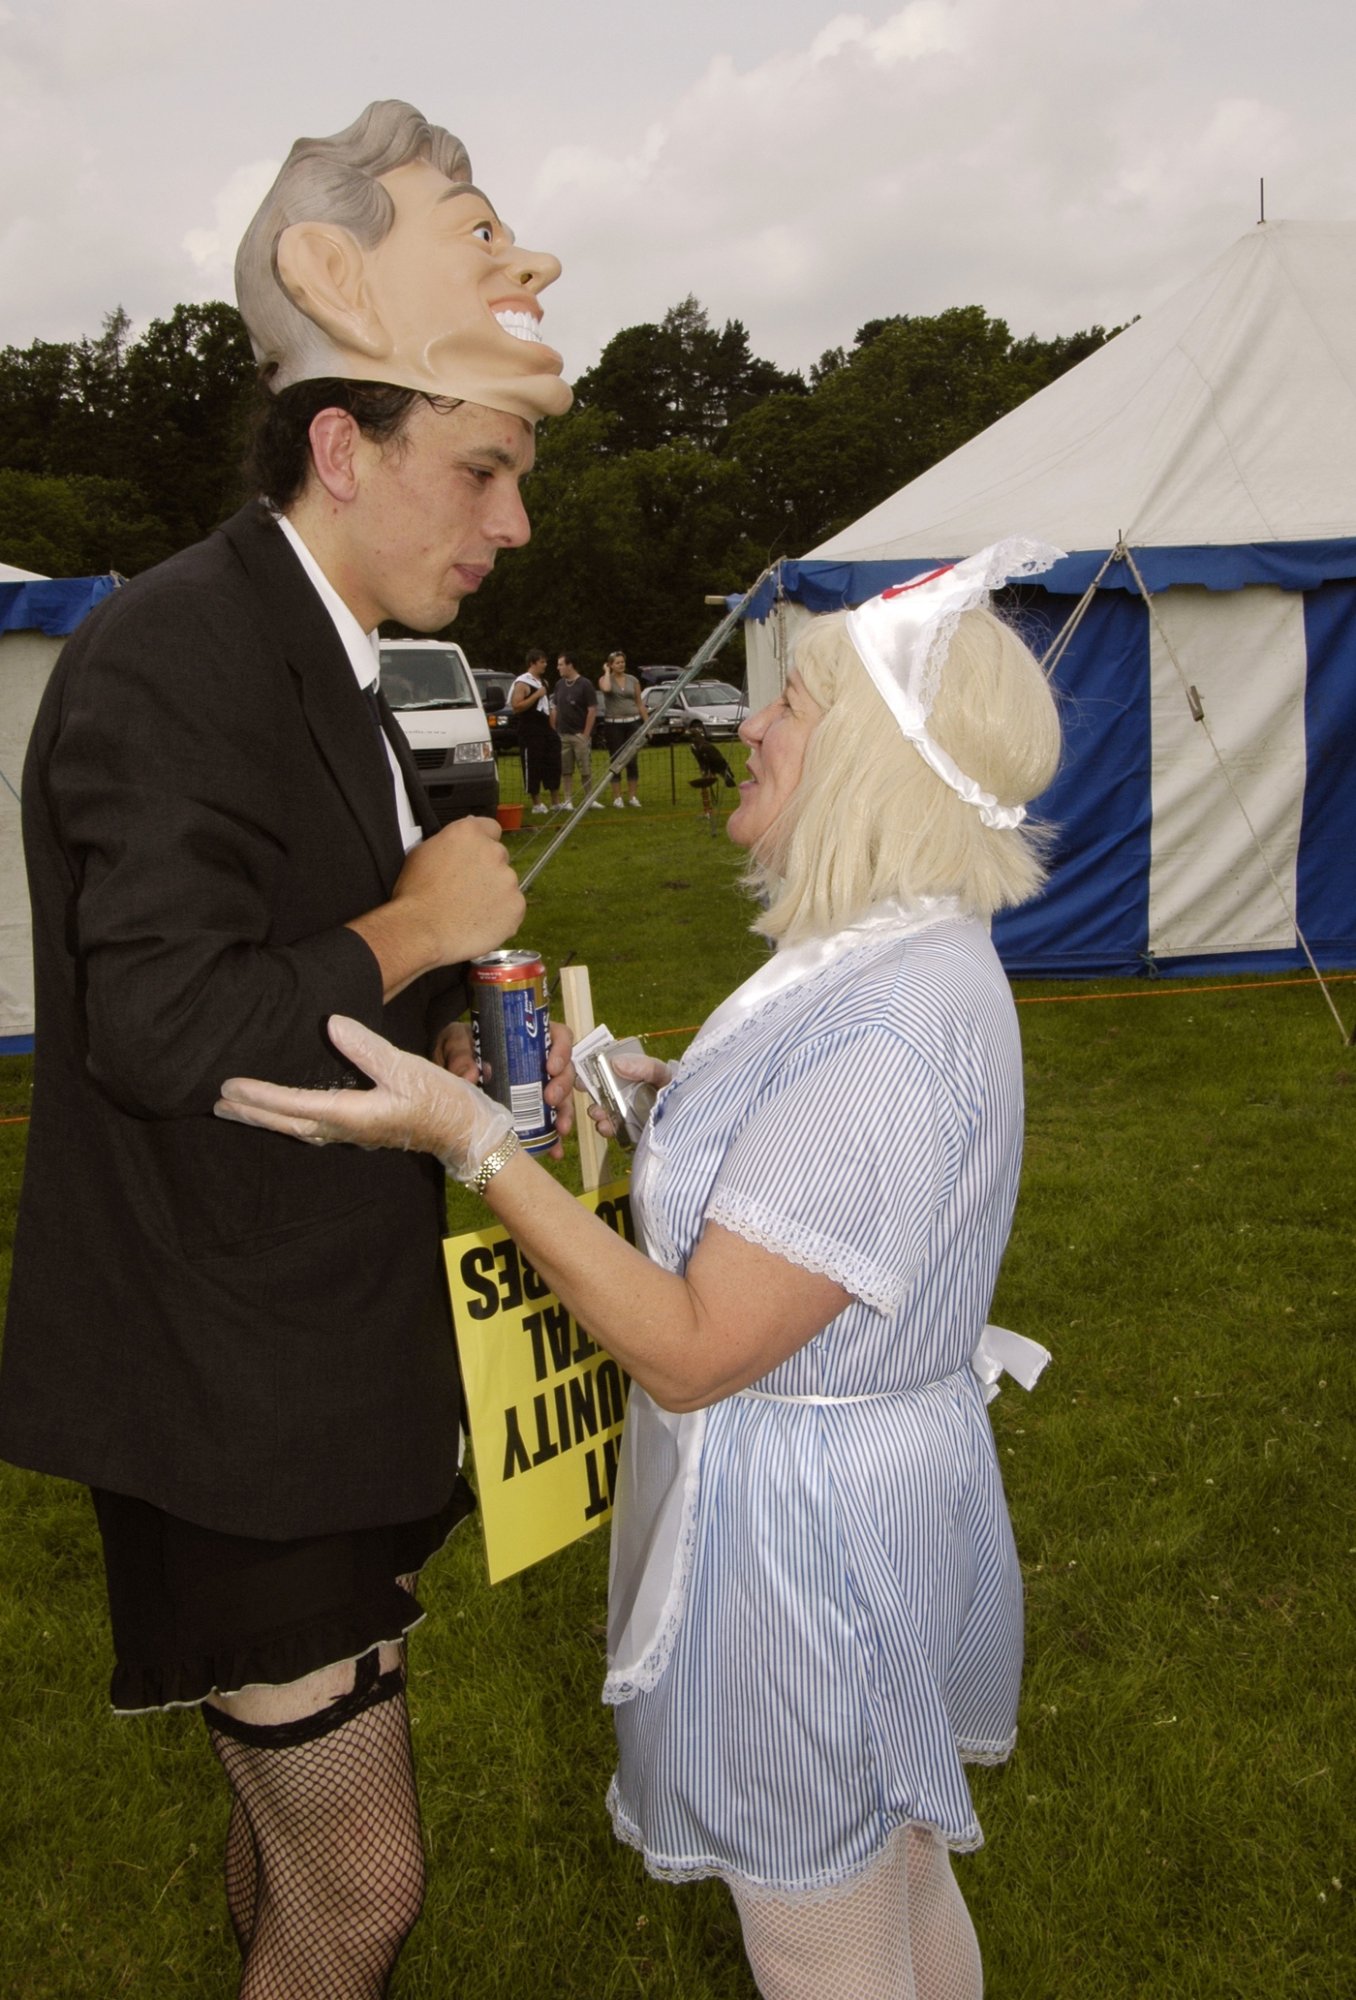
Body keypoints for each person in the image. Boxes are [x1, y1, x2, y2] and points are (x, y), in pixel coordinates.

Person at [213, 540, 1064, 2000]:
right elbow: (822, 1198)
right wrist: (666, 1106)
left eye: (790, 704)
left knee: (821, 1932)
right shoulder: (897, 962)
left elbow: (688, 1346)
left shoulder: (891, 1026)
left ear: (873, 762)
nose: (748, 723)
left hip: (812, 1549)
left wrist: (471, 1141)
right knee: (895, 1873)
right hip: (866, 1493)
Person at [0, 99, 576, 2000]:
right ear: (346, 443)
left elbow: (386, 967)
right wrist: (423, 924)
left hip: (330, 1371)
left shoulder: (377, 663)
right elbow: (164, 1021)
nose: (512, 521)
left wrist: (514, 1035)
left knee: (294, 1868)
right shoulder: (178, 653)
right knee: (362, 1890)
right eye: (482, 472)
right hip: (223, 1395)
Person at [512, 645, 562, 811]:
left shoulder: (544, 682)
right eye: (542, 662)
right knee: (533, 764)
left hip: (545, 727)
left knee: (553, 762)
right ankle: (537, 803)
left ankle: (555, 802)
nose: (545, 665)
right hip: (530, 729)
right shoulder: (522, 682)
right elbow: (516, 706)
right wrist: (536, 695)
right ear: (533, 663)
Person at [552, 651, 601, 808]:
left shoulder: (585, 684)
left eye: (560, 664)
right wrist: (555, 729)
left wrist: (585, 734)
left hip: (579, 734)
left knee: (585, 768)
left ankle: (589, 798)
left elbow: (592, 710)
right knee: (566, 770)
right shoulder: (559, 684)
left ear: (570, 665)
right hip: (563, 734)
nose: (558, 667)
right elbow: (555, 707)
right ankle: (568, 799)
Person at [599, 649, 646, 807]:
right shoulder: (605, 680)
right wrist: (606, 672)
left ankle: (632, 796)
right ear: (611, 664)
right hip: (614, 725)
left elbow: (640, 703)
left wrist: (646, 724)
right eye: (617, 662)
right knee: (616, 759)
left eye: (623, 662)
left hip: (633, 722)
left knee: (632, 760)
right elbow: (605, 689)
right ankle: (617, 797)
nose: (621, 665)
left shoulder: (633, 680)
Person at [683, 715, 736, 829]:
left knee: (727, 780)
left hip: (719, 767)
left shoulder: (705, 746)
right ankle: (707, 810)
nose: (690, 738)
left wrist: (720, 773)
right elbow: (701, 761)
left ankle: (710, 809)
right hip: (709, 767)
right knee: (705, 784)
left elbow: (718, 761)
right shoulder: (693, 747)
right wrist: (704, 771)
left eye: (691, 736)